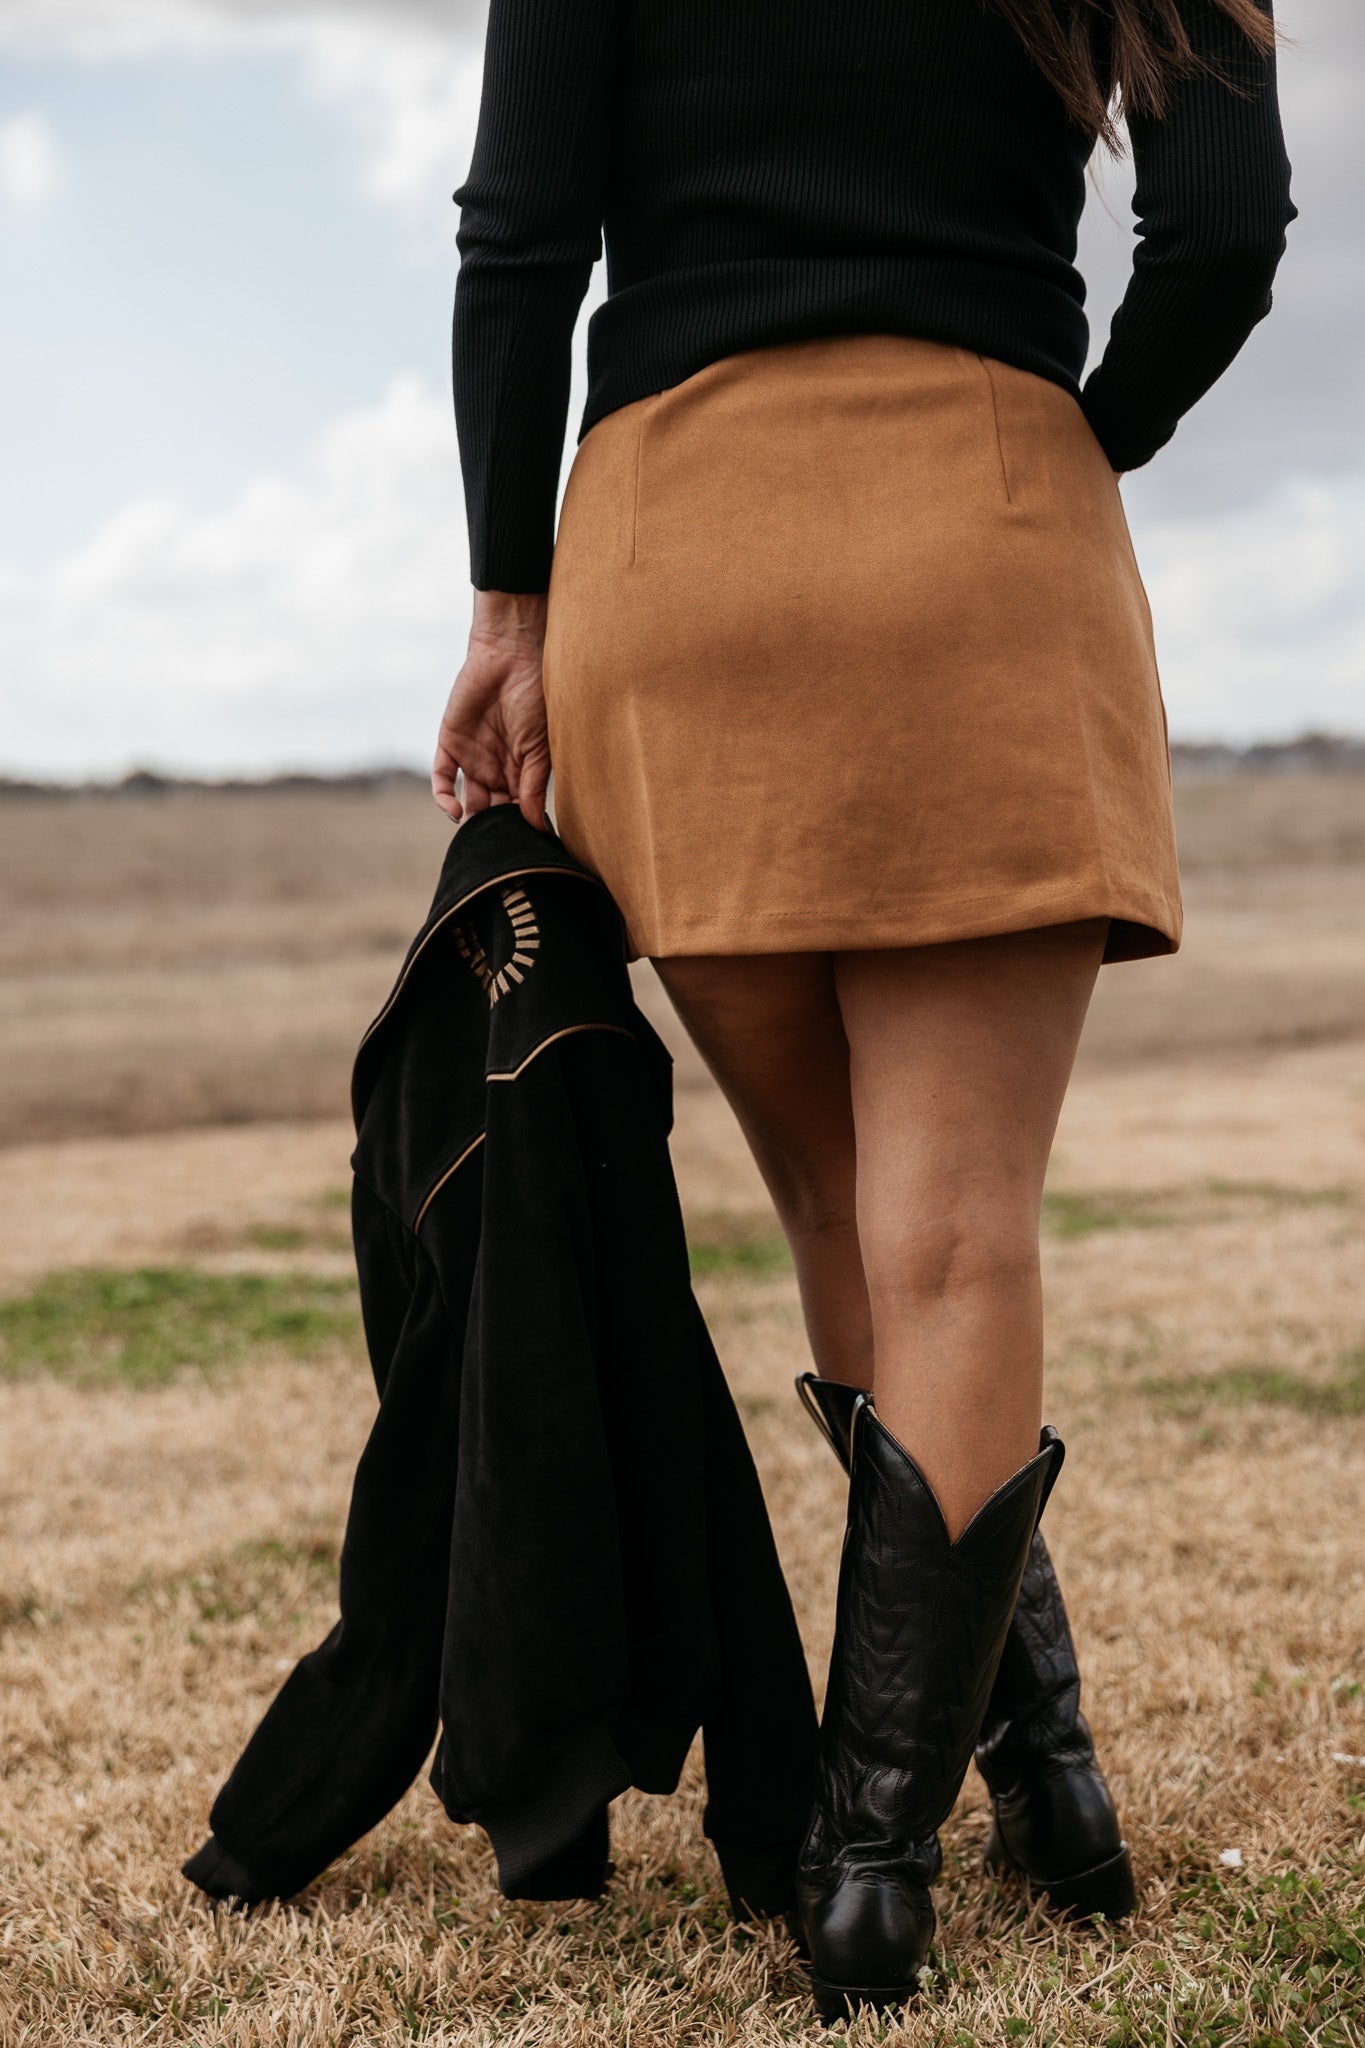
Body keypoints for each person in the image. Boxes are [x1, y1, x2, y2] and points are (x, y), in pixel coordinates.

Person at [431, 0, 1294, 2019]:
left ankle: (1034, 1771)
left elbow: (516, 246)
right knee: (955, 1231)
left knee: (839, 1213)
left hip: (680, 544)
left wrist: (503, 595)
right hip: (981, 518)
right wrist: (1084, 431)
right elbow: (1225, 234)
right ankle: (884, 1858)